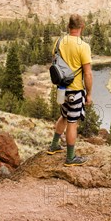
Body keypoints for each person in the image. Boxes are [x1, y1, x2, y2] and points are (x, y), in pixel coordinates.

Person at [47, 14, 93, 166]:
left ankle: (54, 145)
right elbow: (87, 73)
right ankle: (70, 158)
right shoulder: (83, 47)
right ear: (82, 27)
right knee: (72, 122)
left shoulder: (59, 41)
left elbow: (55, 62)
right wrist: (89, 94)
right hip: (75, 91)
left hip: (61, 88)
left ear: (69, 26)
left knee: (64, 116)